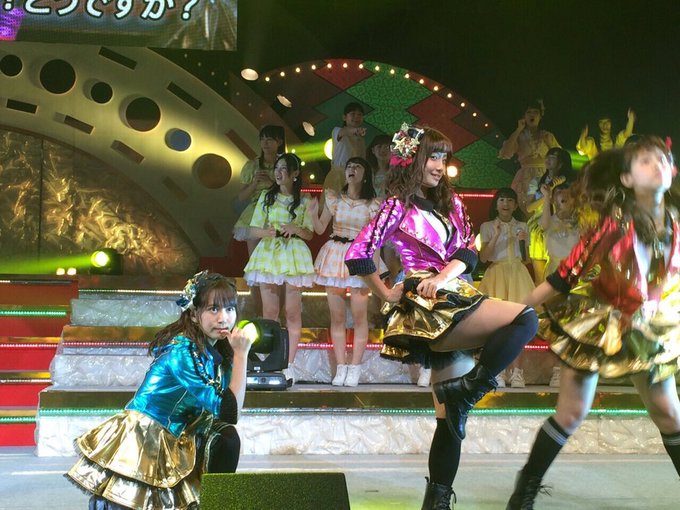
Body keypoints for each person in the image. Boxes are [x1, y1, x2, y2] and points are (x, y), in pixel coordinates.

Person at [345, 123, 538, 509]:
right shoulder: (396, 206)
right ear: (411, 160)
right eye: (432, 156)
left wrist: (444, 276)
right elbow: (358, 253)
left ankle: (437, 500)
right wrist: (387, 291)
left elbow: (468, 251)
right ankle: (469, 389)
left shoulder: (453, 203)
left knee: (449, 419)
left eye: (443, 157)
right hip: (428, 306)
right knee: (526, 318)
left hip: (453, 293)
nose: (439, 165)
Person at [507, 136, 680, 508]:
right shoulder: (613, 226)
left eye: (662, 159)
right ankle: (524, 491)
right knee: (571, 413)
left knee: (669, 414)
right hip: (599, 323)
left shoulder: (676, 224)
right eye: (645, 161)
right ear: (627, 179)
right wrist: (515, 311)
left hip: (648, 327)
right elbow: (562, 278)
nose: (656, 165)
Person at [66, 271, 253, 509]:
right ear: (194, 314)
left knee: (227, 437)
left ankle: (217, 503)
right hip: (149, 435)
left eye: (229, 309)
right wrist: (241, 355)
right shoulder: (182, 351)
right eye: (213, 309)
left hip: (183, 430)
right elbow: (229, 410)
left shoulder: (218, 350)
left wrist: (238, 356)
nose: (223, 318)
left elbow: (229, 412)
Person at [308, 157, 384, 387]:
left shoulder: (374, 204)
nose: (352, 170)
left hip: (360, 257)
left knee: (360, 316)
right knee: (337, 317)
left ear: (365, 174)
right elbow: (320, 228)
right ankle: (341, 366)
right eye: (349, 166)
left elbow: (376, 241)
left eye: (357, 167)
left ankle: (355, 367)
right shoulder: (335, 199)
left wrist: (374, 271)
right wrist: (312, 213)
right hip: (335, 256)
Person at [244, 153, 315, 385]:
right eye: (277, 168)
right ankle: (270, 361)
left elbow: (310, 233)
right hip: (269, 254)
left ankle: (289, 364)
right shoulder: (266, 196)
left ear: (295, 174)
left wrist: (296, 229)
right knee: (270, 312)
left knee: (292, 312)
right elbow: (253, 229)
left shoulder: (304, 200)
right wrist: (268, 232)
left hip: (294, 254)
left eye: (284, 168)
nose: (278, 172)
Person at [478, 187, 534, 388]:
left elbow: (526, 258)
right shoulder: (487, 226)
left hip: (518, 274)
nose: (506, 204)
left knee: (519, 324)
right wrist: (495, 235)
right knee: (497, 326)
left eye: (510, 200)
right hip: (497, 274)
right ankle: (497, 371)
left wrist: (522, 241)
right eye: (502, 200)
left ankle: (517, 372)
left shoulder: (523, 226)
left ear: (515, 205)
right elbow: (483, 258)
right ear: (496, 204)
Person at [499, 101, 561, 215]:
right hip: (525, 176)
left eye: (535, 112)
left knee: (545, 208)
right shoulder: (520, 136)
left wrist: (549, 143)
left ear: (540, 116)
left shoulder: (547, 135)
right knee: (527, 209)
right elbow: (505, 153)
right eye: (529, 112)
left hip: (545, 175)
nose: (532, 115)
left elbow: (561, 157)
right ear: (524, 116)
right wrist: (518, 130)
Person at [524, 147, 577, 283]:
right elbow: (529, 207)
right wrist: (547, 194)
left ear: (561, 162)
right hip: (539, 227)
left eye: (553, 157)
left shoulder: (568, 182)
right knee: (540, 275)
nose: (548, 159)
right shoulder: (537, 181)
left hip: (561, 226)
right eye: (548, 156)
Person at [233, 125, 286, 255]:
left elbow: (289, 193)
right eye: (262, 139)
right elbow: (241, 197)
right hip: (255, 212)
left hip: (278, 211)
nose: (265, 143)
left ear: (279, 142)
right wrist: (254, 184)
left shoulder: (285, 165)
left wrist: (270, 183)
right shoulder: (252, 165)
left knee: (276, 256)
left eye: (269, 139)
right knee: (254, 257)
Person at [323, 102, 367, 193]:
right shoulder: (337, 131)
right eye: (353, 114)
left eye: (359, 115)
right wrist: (356, 130)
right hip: (338, 176)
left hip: (355, 178)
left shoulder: (361, 140)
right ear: (344, 117)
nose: (356, 117)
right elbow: (346, 131)